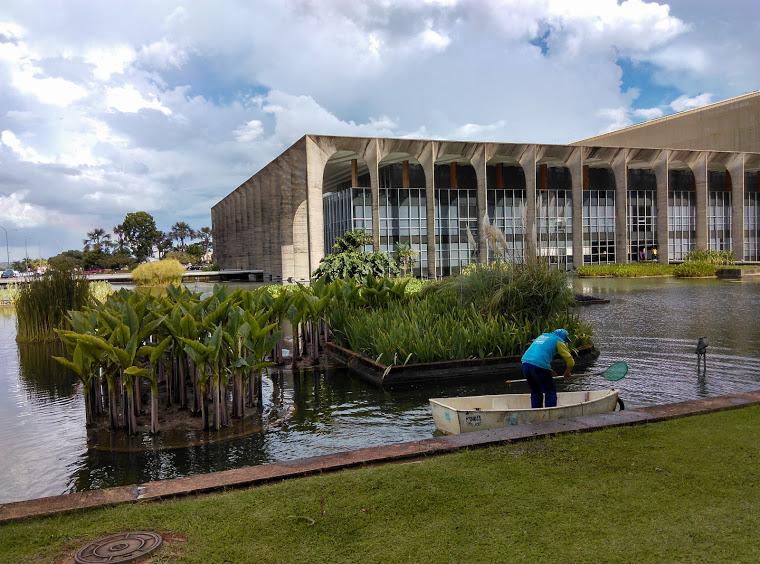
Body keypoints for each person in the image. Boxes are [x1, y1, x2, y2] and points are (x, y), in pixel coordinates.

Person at [520, 328, 575, 408]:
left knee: (536, 391)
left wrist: (548, 369)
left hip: (525, 364)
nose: (565, 342)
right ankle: (550, 413)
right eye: (565, 340)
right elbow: (570, 360)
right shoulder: (558, 341)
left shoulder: (542, 336)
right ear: (563, 337)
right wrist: (567, 372)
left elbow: (538, 353)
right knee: (550, 391)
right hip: (539, 366)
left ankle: (536, 413)